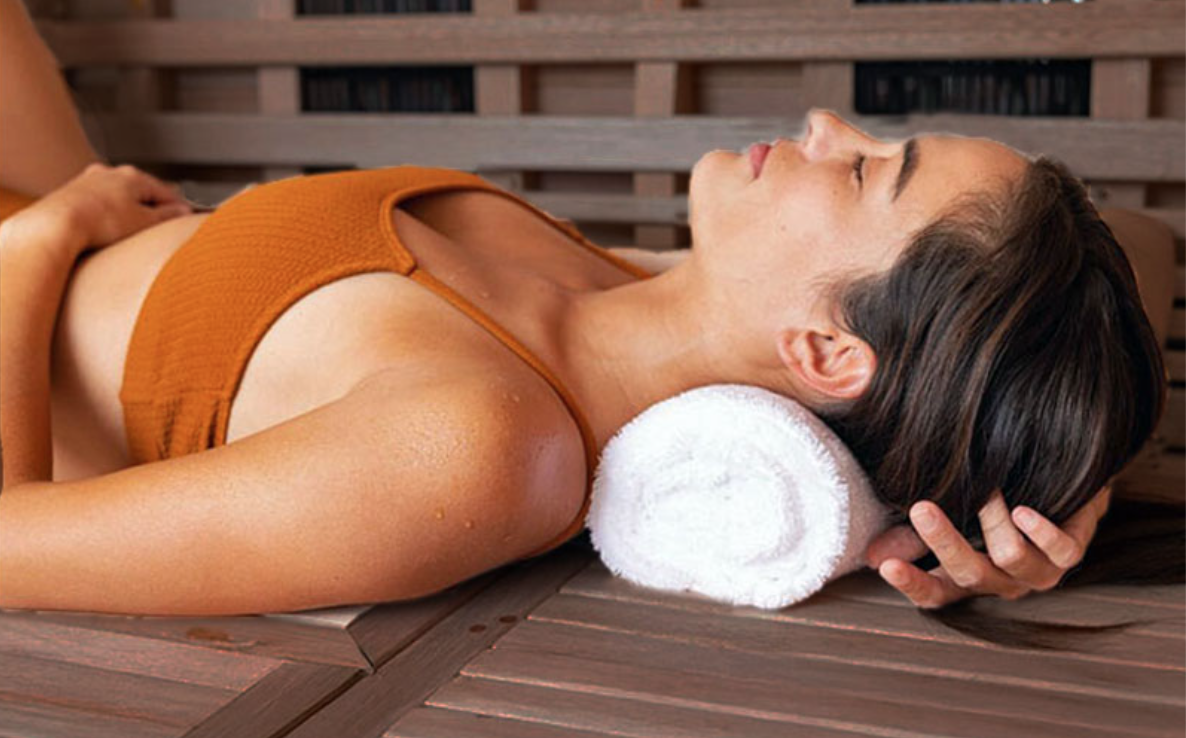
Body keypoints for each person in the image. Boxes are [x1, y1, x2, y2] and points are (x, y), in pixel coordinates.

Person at [0, 0, 1178, 647]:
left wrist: (37, 246)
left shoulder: (475, 446)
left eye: (868, 170)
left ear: (826, 351)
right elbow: (1138, 240)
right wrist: (1064, 477)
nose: (827, 125)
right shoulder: (624, 292)